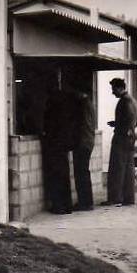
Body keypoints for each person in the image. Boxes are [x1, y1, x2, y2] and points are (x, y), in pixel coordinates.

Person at [41, 86, 75, 214]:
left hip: (54, 146)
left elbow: (48, 128)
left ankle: (58, 206)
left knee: (55, 176)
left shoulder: (51, 110)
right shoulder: (66, 109)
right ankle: (67, 206)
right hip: (63, 146)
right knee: (64, 176)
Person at [104, 77, 137, 206]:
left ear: (119, 88)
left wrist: (120, 128)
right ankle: (128, 197)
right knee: (128, 168)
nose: (113, 92)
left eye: (113, 89)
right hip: (129, 138)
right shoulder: (132, 100)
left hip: (122, 138)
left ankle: (115, 197)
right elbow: (133, 120)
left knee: (117, 168)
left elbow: (128, 120)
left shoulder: (125, 101)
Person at [71, 87, 96, 211]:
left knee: (81, 172)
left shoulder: (83, 106)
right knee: (84, 172)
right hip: (87, 141)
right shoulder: (89, 104)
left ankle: (84, 202)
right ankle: (87, 201)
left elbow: (81, 125)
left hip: (82, 142)